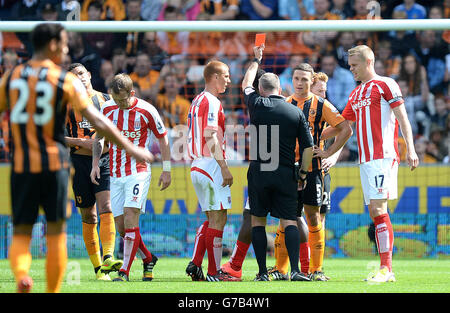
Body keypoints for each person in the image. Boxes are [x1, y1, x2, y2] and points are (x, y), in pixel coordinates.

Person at [0, 23, 153, 293]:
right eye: (64, 42)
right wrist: (132, 147)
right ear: (52, 45)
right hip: (57, 164)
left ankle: (22, 274)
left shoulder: (12, 77)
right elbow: (100, 122)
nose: (67, 47)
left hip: (22, 165)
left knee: (23, 230)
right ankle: (53, 289)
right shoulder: (63, 81)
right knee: (57, 231)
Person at [342, 45, 419, 282]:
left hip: (383, 155)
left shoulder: (386, 84)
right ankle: (386, 269)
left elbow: (402, 117)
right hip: (365, 160)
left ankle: (386, 269)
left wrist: (411, 149)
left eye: (354, 65)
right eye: (350, 65)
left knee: (378, 209)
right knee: (375, 212)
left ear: (369, 61)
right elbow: (342, 124)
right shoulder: (356, 93)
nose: (351, 69)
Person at [270, 66, 352, 282]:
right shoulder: (284, 103)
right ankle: (280, 269)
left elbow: (346, 129)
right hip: (287, 170)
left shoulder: (321, 104)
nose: (299, 83)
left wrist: (328, 152)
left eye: (304, 79)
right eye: (296, 78)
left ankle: (317, 270)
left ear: (310, 81)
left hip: (314, 170)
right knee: (285, 220)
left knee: (314, 218)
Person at [242, 44, 315, 282]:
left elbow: (245, 83)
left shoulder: (256, 104)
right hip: (285, 172)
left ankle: (263, 273)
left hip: (260, 171)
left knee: (258, 221)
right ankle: (295, 271)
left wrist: (256, 60)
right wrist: (302, 175)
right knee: (289, 220)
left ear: (261, 90)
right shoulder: (295, 112)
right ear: (281, 88)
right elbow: (308, 147)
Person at [91, 73, 171, 282]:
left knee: (130, 216)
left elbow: (163, 139)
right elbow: (99, 137)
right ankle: (148, 258)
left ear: (132, 93)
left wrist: (167, 169)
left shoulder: (147, 110)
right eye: (115, 99)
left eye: (123, 99)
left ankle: (124, 271)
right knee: (122, 228)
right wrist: (95, 164)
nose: (119, 104)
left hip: (139, 171)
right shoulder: (107, 108)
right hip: (116, 174)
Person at [65, 62, 122, 281]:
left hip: (105, 160)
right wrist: (80, 142)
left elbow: (115, 129)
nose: (78, 78)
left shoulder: (106, 100)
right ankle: (99, 268)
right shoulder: (65, 105)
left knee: (107, 206)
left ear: (88, 75)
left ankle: (108, 257)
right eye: (72, 76)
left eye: (80, 73)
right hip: (78, 161)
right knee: (89, 214)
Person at [184, 60, 235, 282]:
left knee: (211, 218)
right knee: (219, 219)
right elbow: (209, 135)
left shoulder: (196, 100)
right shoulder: (212, 101)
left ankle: (196, 263)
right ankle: (214, 273)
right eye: (226, 76)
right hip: (210, 164)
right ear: (214, 76)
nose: (229, 80)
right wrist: (224, 167)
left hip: (196, 165)